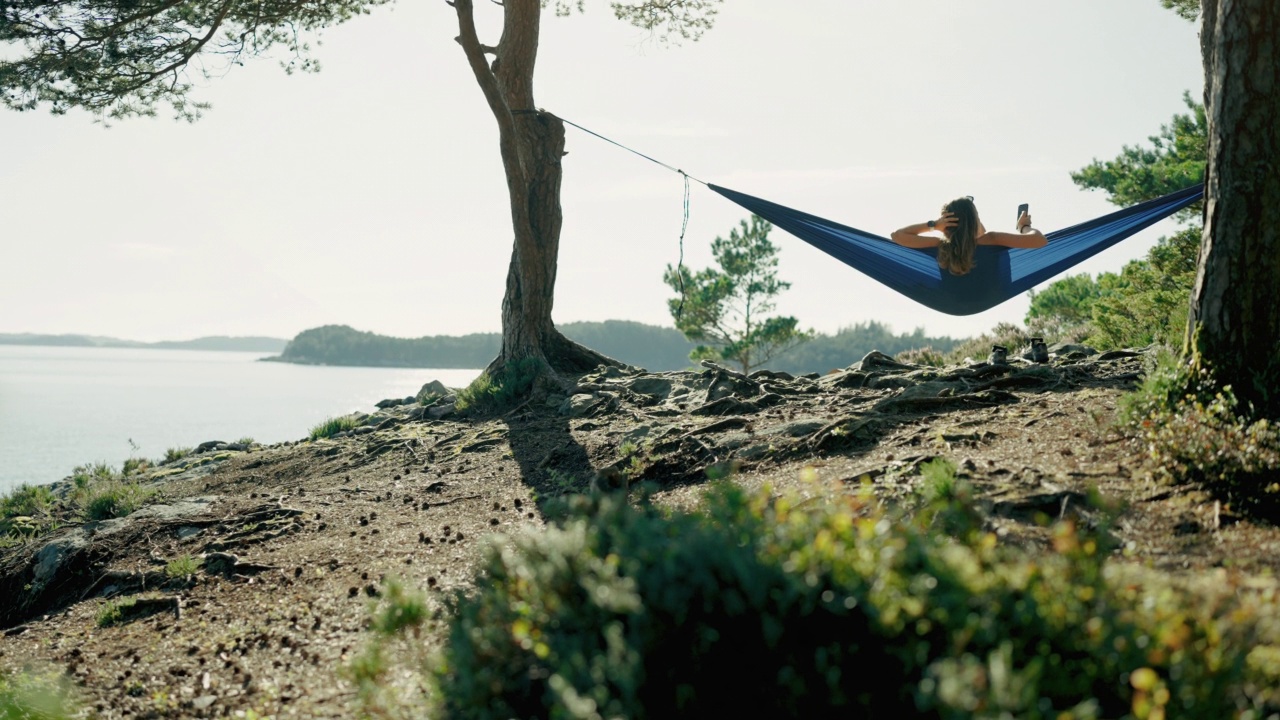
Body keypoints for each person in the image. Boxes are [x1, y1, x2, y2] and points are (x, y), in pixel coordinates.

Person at [890, 196, 1046, 276]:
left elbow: (897, 235)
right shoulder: (992, 240)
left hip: (950, 302)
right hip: (989, 296)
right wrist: (1024, 227)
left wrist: (934, 225)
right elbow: (1040, 240)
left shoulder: (939, 246)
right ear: (974, 221)